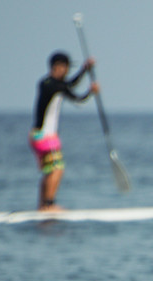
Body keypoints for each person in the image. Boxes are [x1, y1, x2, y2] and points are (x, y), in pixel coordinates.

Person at [30, 51, 98, 211]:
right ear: (58, 67)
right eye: (66, 68)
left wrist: (84, 70)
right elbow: (78, 99)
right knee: (57, 169)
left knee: (48, 171)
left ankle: (42, 206)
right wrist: (91, 92)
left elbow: (69, 85)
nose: (66, 71)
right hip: (47, 137)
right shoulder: (55, 86)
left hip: (36, 136)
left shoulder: (46, 83)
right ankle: (49, 204)